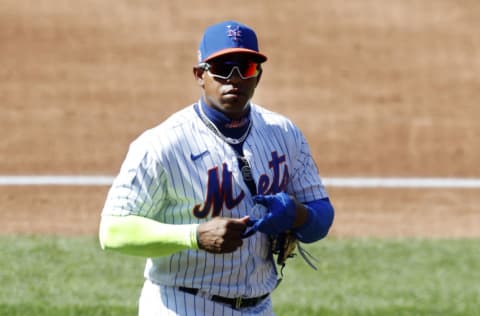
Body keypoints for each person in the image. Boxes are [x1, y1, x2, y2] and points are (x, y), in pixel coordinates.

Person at [99, 20, 334, 316]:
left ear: (257, 77)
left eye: (245, 68)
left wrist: (298, 214)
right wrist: (193, 237)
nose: (234, 79)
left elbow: (321, 218)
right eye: (223, 68)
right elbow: (113, 232)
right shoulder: (162, 144)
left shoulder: (284, 134)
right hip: (183, 304)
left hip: (260, 306)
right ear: (200, 75)